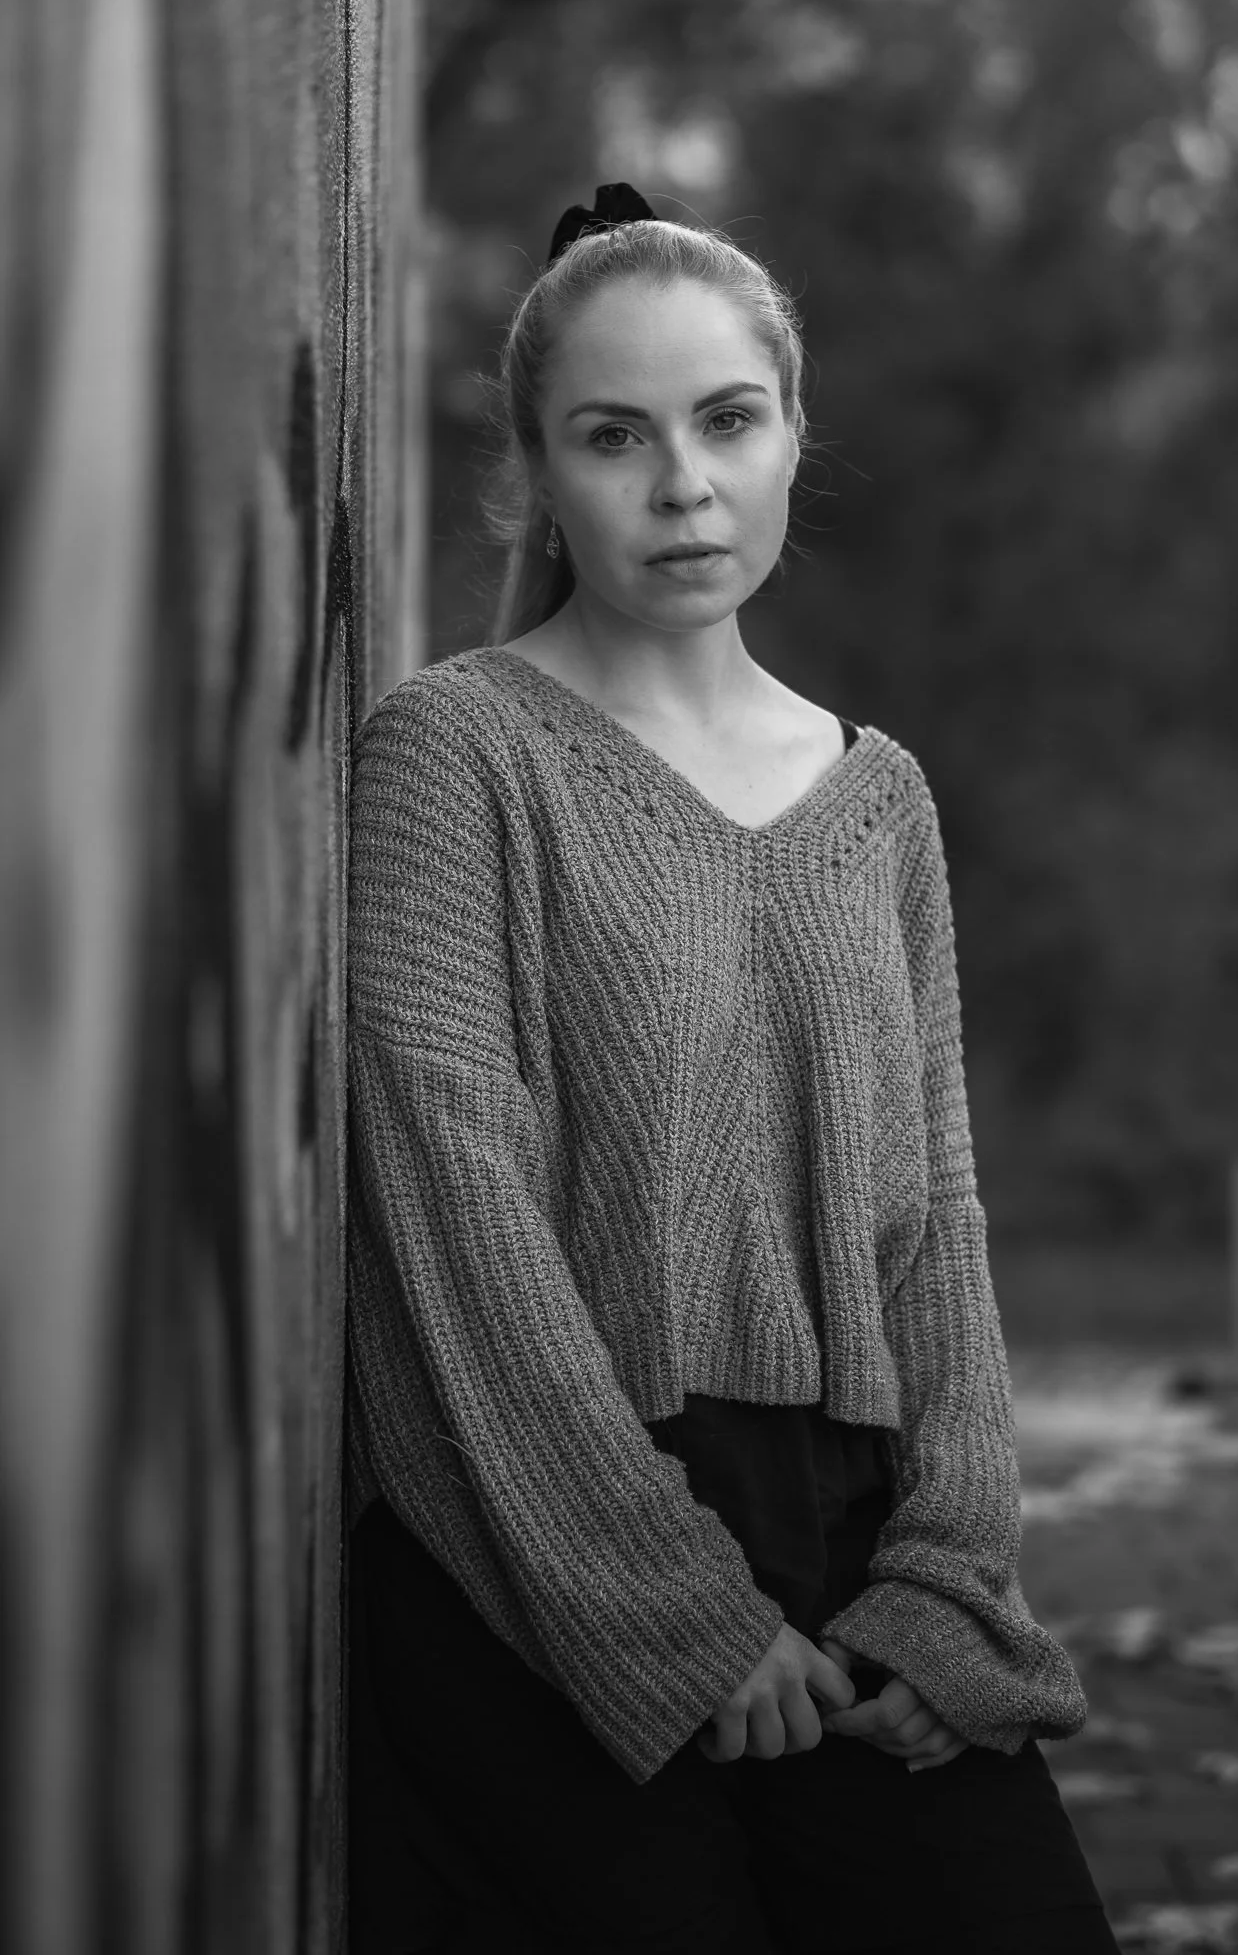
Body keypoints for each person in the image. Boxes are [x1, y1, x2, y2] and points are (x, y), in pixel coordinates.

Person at [345, 184, 1121, 1954]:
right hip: (535, 1550)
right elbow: (452, 1214)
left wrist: (945, 1580)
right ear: (540, 473)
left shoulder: (881, 799)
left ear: (790, 439)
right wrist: (665, 1613)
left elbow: (941, 1225)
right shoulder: (454, 756)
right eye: (614, 437)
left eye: (725, 421)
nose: (681, 483)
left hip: (853, 1548)